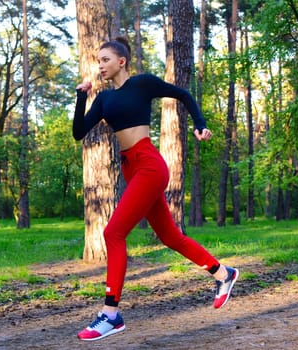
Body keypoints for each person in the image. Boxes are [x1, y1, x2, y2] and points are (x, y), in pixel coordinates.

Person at [73, 37, 239, 341]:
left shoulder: (143, 84)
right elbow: (78, 132)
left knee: (113, 233)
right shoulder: (103, 100)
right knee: (170, 236)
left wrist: (200, 123)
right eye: (98, 61)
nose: (100, 66)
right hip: (131, 168)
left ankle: (111, 314)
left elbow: (183, 95)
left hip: (149, 164)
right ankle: (223, 273)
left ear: (121, 61)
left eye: (105, 60)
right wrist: (81, 97)